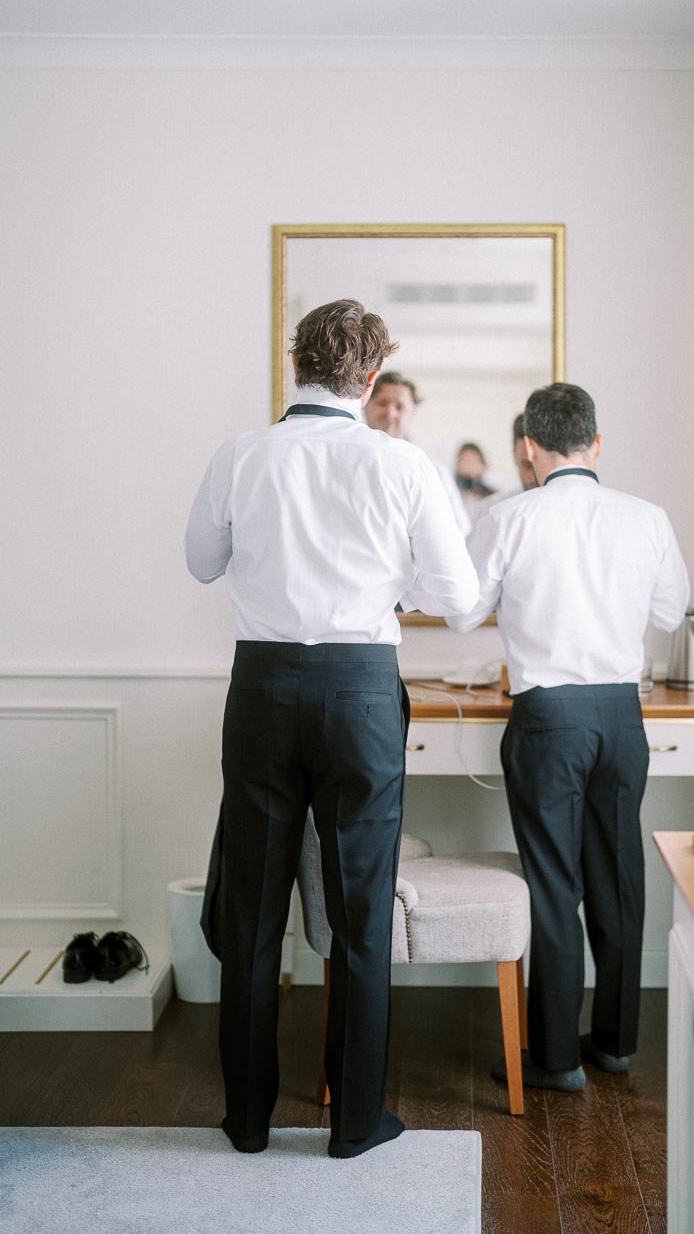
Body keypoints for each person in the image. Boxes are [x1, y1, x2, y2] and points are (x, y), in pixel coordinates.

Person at [185, 299, 478, 1158]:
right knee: (358, 917)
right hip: (359, 695)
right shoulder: (403, 464)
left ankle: (246, 1122)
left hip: (264, 691)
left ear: (296, 363)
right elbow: (459, 601)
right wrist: (393, 585)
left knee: (251, 914)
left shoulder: (240, 454)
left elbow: (201, 563)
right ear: (372, 377)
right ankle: (353, 1124)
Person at [447, 382, 689, 1090]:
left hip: (549, 718)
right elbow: (670, 615)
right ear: (597, 443)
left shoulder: (508, 516)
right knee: (618, 878)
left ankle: (554, 1057)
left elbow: (462, 614)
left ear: (529, 446)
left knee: (556, 887)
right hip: (621, 715)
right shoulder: (647, 518)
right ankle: (614, 1042)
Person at [364, 370, 471, 534]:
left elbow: (460, 527)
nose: (390, 413)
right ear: (366, 404)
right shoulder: (347, 461)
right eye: (382, 403)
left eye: (400, 407)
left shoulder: (433, 470)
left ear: (412, 413)